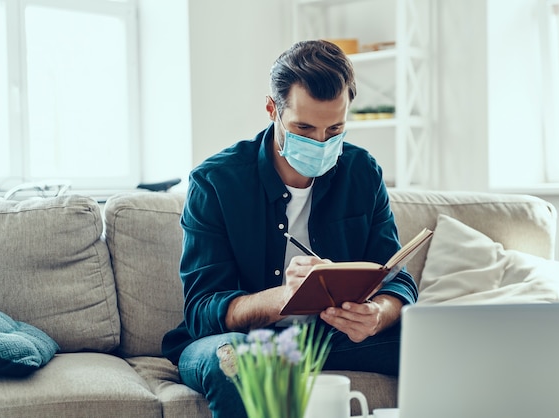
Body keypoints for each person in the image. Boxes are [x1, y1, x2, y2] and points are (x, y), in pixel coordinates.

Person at [162, 39, 418, 418]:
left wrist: (378, 313)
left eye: (335, 129)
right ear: (272, 109)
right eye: (304, 128)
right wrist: (288, 297)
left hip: (328, 337)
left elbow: (397, 278)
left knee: (438, 344)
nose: (320, 142)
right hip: (240, 340)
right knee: (236, 359)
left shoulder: (361, 172)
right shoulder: (215, 181)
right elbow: (202, 309)